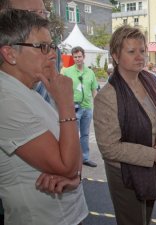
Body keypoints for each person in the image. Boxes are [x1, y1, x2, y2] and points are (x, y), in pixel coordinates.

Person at [0, 9, 88, 225]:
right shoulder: (5, 100)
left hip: (68, 216)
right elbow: (67, 164)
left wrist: (74, 177)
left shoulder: (30, 91)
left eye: (52, 47)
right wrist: (66, 103)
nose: (52, 54)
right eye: (42, 47)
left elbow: (73, 159)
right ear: (10, 54)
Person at [93, 25, 156, 225]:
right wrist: (153, 155)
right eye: (131, 51)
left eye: (142, 51)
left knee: (145, 219)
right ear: (116, 56)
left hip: (152, 166)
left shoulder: (150, 81)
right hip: (125, 173)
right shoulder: (107, 96)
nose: (140, 57)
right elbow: (109, 147)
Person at [0, 0, 56, 107]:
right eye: (33, 12)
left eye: (43, 13)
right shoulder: (6, 99)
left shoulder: (50, 53)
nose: (42, 18)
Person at [63, 46, 98, 167]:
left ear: (84, 57)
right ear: (73, 58)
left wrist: (97, 105)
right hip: (73, 108)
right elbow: (62, 90)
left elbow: (94, 90)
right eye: (75, 57)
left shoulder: (90, 72)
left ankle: (85, 158)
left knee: (85, 134)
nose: (78, 59)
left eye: (80, 56)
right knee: (72, 134)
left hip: (87, 108)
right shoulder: (67, 72)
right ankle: (72, 158)